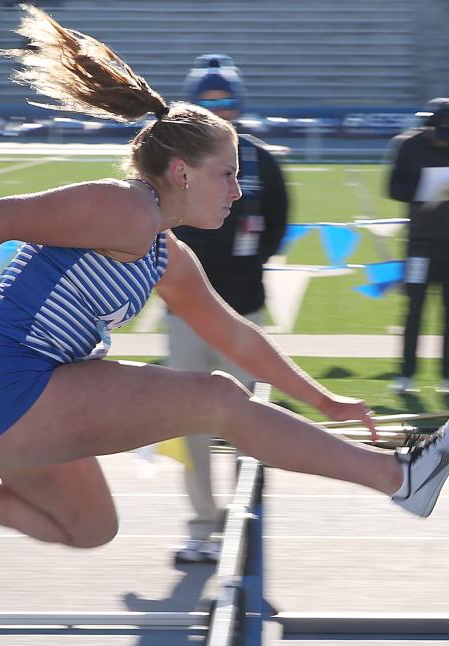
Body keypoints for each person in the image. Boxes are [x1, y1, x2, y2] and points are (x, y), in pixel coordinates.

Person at [0, 5, 449, 556]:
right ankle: (400, 478)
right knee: (219, 398)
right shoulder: (126, 210)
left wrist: (322, 399)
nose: (237, 191)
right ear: (180, 172)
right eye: (226, 175)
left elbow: (237, 336)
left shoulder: (164, 253)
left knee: (89, 526)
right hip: (6, 383)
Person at [165, 55, 288, 563]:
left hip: (242, 313)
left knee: (251, 423)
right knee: (187, 423)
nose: (218, 114)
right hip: (184, 314)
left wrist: (243, 272)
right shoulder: (171, 166)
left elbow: (277, 226)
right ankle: (201, 525)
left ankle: (244, 522)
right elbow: (154, 226)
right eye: (207, 106)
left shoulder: (262, 160)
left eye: (225, 105)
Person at [386, 97, 449, 396]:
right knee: (414, 309)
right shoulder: (408, 145)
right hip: (420, 242)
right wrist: (425, 190)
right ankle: (406, 374)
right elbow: (393, 187)